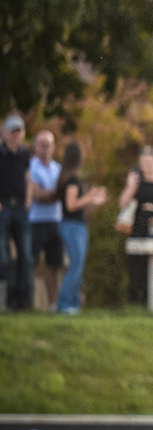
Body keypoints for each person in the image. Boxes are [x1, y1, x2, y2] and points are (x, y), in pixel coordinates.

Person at [55, 142, 107, 314]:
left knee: (78, 265)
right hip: (72, 226)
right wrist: (89, 197)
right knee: (75, 265)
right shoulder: (71, 180)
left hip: (76, 225)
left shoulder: (68, 177)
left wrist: (91, 199)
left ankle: (73, 304)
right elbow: (71, 205)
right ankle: (64, 304)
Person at [119, 146, 153, 305]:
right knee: (136, 267)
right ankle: (135, 303)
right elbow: (122, 204)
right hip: (138, 228)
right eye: (143, 162)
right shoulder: (137, 181)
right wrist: (129, 186)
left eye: (149, 162)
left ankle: (152, 303)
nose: (146, 166)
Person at [0, 112, 34, 310]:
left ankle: (23, 302)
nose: (15, 136)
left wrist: (28, 201)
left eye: (18, 132)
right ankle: (6, 300)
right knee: (3, 257)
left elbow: (28, 179)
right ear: (4, 133)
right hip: (4, 208)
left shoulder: (24, 154)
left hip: (21, 208)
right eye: (12, 132)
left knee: (26, 256)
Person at [28, 130, 63, 309]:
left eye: (48, 144)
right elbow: (37, 194)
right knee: (31, 263)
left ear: (53, 147)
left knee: (54, 265)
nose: (45, 147)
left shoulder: (58, 168)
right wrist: (53, 194)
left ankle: (52, 304)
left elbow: (61, 194)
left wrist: (49, 194)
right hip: (35, 222)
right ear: (35, 146)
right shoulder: (30, 167)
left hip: (55, 221)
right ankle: (27, 303)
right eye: (41, 144)